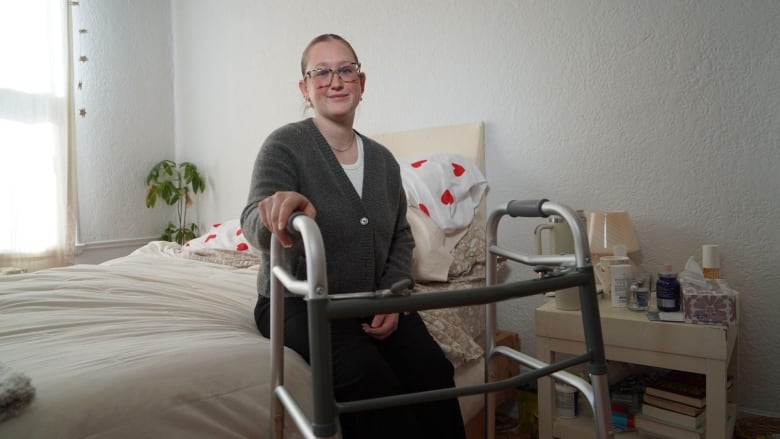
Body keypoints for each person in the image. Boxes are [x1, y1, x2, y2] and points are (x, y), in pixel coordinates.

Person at [240, 34, 466, 439]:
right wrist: (278, 212)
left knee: (432, 369)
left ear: (362, 82)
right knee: (368, 377)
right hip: (296, 303)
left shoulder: (382, 161)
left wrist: (395, 296)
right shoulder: (285, 146)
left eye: (346, 70)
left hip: (371, 300)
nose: (336, 81)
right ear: (304, 88)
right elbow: (253, 224)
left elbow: (401, 236)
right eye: (321, 72)